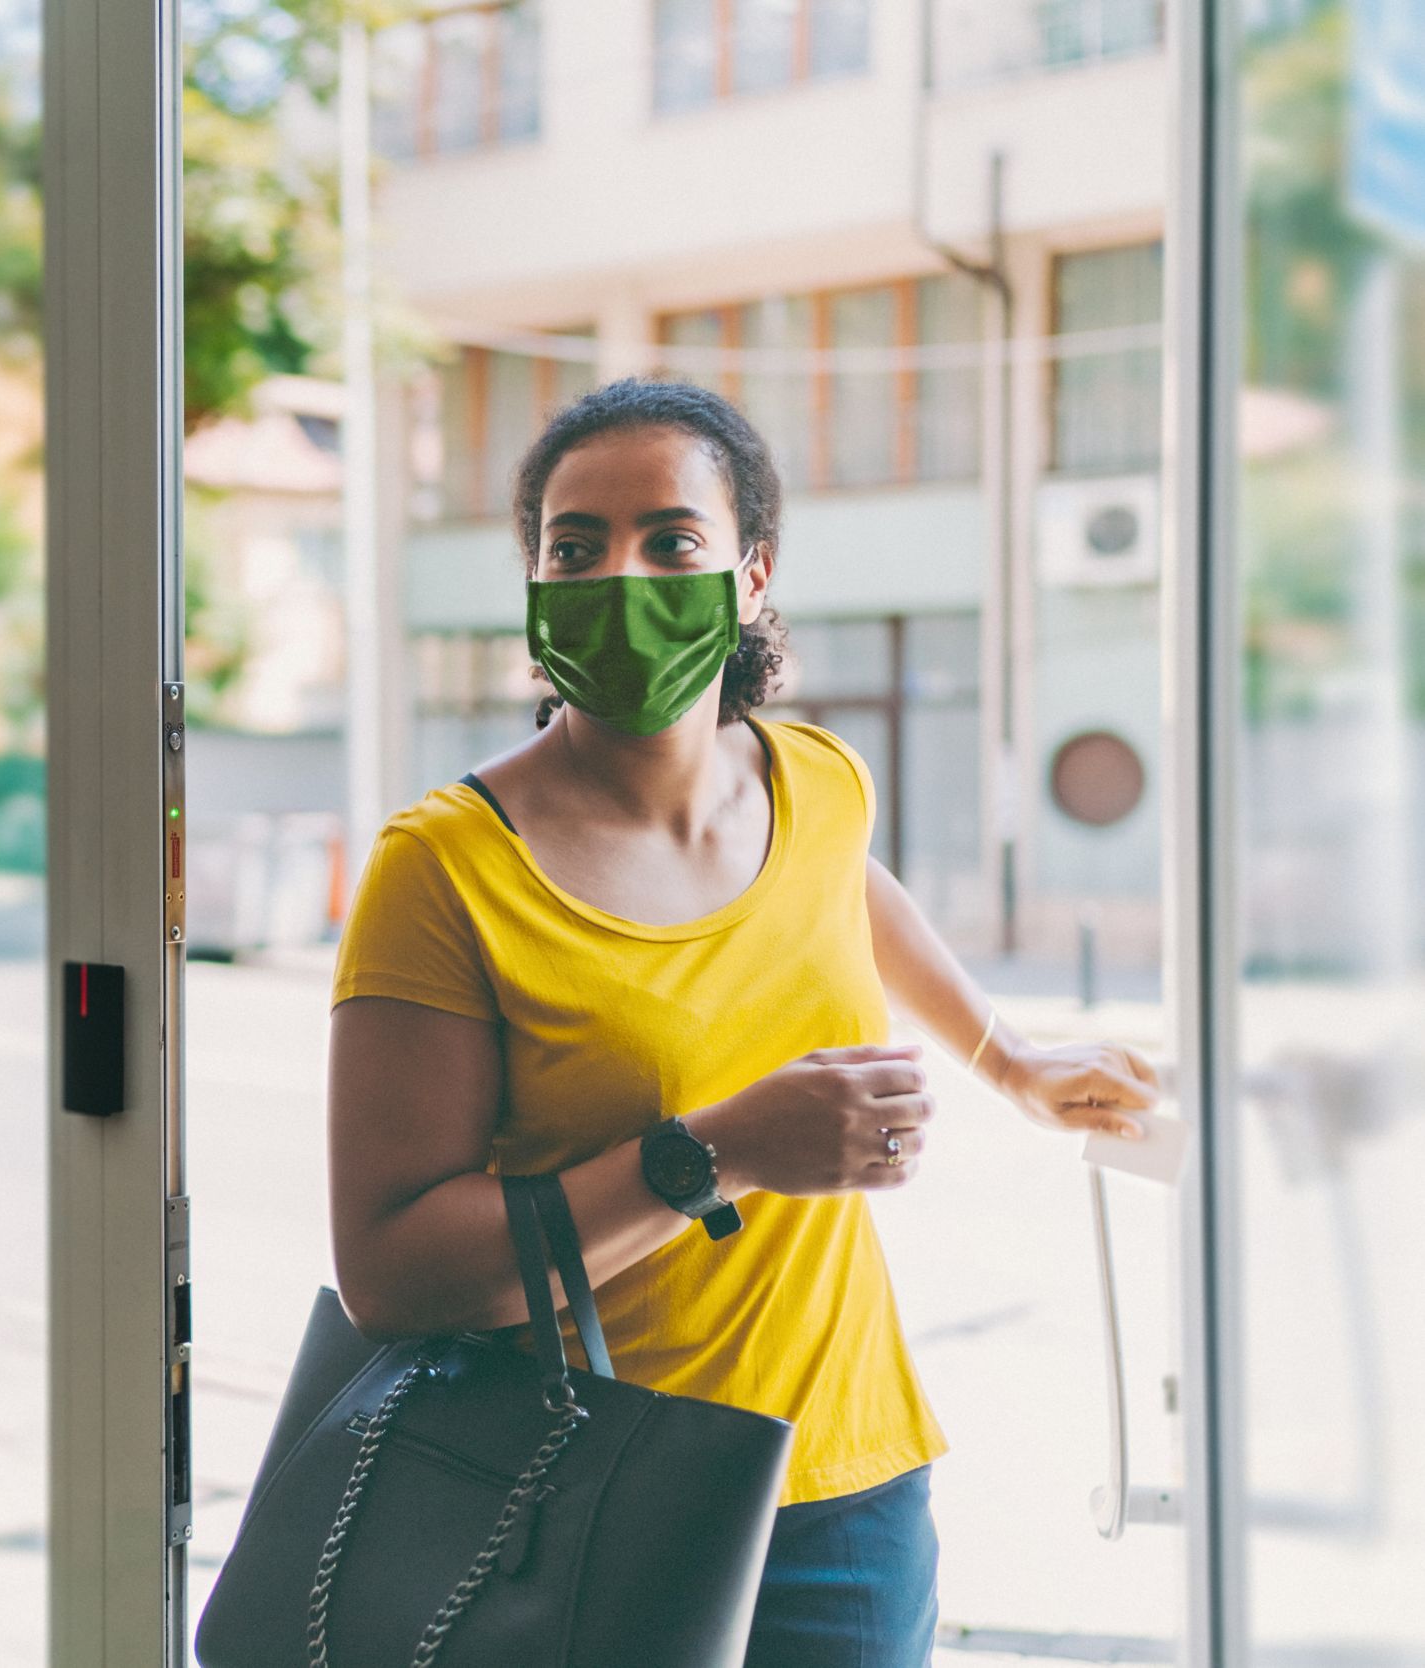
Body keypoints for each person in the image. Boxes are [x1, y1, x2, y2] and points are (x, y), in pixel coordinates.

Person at [326, 377, 1160, 1667]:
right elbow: (392, 1270)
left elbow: (844, 885)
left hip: (848, 1488)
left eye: (671, 540)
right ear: (533, 583)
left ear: (752, 576)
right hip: (586, 1493)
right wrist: (715, 1154)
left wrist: (1010, 1060)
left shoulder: (815, 779)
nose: (619, 577)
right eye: (574, 547)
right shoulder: (442, 867)